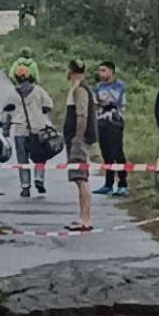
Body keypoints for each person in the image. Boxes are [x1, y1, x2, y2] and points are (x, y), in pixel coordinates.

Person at [2, 64, 54, 198]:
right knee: (40, 156)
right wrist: (39, 112)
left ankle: (25, 187)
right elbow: (49, 105)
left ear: (16, 78)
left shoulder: (13, 94)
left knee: (22, 160)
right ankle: (39, 178)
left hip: (20, 131)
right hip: (37, 129)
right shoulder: (39, 91)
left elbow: (6, 113)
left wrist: (6, 129)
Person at [63, 59, 97, 232]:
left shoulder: (80, 90)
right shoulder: (78, 89)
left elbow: (82, 115)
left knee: (81, 178)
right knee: (78, 179)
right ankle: (83, 217)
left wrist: (78, 138)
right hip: (75, 139)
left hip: (78, 141)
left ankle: (85, 219)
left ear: (71, 71)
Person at [94, 62, 129, 197]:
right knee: (106, 153)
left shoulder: (119, 85)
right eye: (100, 70)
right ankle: (108, 184)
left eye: (104, 70)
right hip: (101, 121)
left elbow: (114, 101)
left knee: (117, 152)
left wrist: (103, 102)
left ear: (111, 72)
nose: (101, 73)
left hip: (115, 121)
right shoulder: (98, 86)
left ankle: (122, 184)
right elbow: (97, 102)